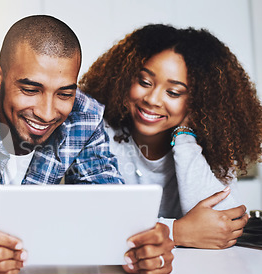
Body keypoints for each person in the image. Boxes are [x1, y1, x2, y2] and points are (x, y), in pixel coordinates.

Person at [0, 16, 174, 274]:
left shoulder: (84, 114)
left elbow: (108, 198)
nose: (47, 112)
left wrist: (143, 246)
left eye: (64, 93)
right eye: (31, 89)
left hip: (16, 254)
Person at [79, 24, 261, 250]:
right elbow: (92, 224)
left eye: (173, 92)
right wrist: (177, 232)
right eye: (144, 82)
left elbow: (222, 226)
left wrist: (184, 138)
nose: (153, 99)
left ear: (199, 101)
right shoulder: (97, 134)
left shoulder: (215, 148)